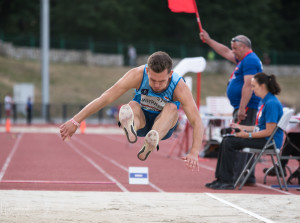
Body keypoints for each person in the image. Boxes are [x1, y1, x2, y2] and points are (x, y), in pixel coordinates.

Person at [60, 51, 204, 171]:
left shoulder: (179, 86)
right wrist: (75, 120)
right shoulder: (137, 75)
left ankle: (152, 139)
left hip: (164, 126)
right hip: (141, 120)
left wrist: (194, 152)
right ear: (147, 71)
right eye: (153, 80)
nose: (157, 85)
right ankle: (132, 128)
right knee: (132, 105)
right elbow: (106, 98)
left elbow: (196, 121)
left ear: (170, 74)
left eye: (162, 81)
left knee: (172, 107)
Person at [200, 30, 263, 184]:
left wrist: (242, 109)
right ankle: (246, 175)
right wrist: (209, 40)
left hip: (246, 107)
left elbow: (248, 85)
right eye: (232, 48)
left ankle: (238, 175)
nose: (233, 51)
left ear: (243, 47)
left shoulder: (250, 61)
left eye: (235, 48)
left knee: (239, 140)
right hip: (243, 106)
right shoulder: (244, 60)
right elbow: (225, 51)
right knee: (241, 139)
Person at [205, 72, 283, 189]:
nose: (252, 89)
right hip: (265, 139)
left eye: (253, 86)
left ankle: (227, 181)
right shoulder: (266, 101)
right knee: (226, 139)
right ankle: (221, 178)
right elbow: (260, 127)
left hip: (269, 142)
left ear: (262, 86)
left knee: (229, 142)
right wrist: (242, 127)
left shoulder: (271, 103)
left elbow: (269, 132)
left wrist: (247, 135)